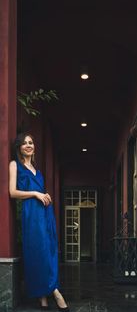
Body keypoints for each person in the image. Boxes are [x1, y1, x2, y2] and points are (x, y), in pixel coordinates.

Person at [9, 132, 69, 311]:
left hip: (45, 212)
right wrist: (35, 194)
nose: (29, 145)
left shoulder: (38, 170)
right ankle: (55, 292)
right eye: (25, 143)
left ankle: (43, 297)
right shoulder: (15, 165)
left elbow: (40, 191)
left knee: (49, 249)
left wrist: (45, 195)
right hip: (31, 215)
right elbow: (12, 192)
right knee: (38, 251)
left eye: (31, 142)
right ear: (19, 147)